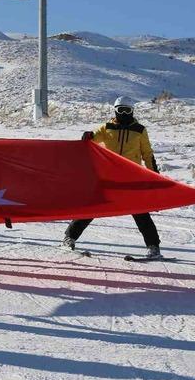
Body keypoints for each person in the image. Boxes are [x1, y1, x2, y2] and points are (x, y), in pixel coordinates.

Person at [64, 96, 164, 259]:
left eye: (127, 110)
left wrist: (155, 176)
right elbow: (93, 139)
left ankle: (153, 247)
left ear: (132, 111)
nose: (124, 113)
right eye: (120, 110)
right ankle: (69, 238)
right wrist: (88, 135)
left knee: (140, 212)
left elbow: (147, 154)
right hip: (109, 177)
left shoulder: (139, 130)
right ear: (115, 111)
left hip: (131, 178)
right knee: (93, 207)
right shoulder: (107, 127)